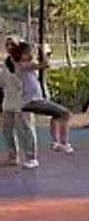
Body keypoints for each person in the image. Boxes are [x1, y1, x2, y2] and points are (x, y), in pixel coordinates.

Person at [11, 42, 73, 154]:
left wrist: (42, 52)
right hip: (31, 101)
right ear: (22, 54)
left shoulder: (27, 64)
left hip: (35, 99)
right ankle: (64, 143)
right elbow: (45, 64)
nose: (30, 54)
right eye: (28, 53)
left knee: (57, 115)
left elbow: (41, 62)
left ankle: (56, 142)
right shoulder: (21, 65)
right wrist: (43, 51)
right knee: (65, 114)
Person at [1, 36, 37, 169]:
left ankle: (31, 157)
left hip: (23, 100)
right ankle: (12, 156)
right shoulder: (6, 62)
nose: (9, 46)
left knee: (26, 128)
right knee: (7, 129)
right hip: (9, 100)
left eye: (12, 44)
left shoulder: (26, 62)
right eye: (7, 44)